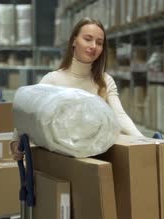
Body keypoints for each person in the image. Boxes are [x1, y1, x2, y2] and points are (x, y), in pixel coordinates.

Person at [10, 18, 144, 160]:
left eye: (99, 43)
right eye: (88, 39)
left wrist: (143, 141)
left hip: (97, 157)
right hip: (62, 160)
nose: (93, 46)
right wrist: (15, 142)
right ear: (74, 41)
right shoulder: (53, 80)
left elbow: (119, 115)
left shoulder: (105, 80)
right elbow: (29, 114)